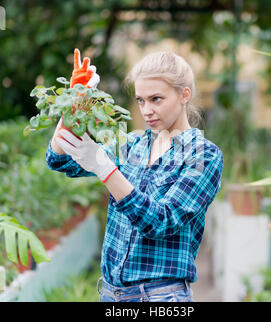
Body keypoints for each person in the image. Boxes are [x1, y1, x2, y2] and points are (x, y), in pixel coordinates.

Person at [46, 49, 224, 302]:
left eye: (156, 99)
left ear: (184, 94)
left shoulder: (203, 156)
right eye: (141, 100)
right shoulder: (131, 145)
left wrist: (106, 170)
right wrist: (75, 103)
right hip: (110, 294)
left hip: (161, 297)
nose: (147, 110)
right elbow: (60, 160)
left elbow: (161, 222)